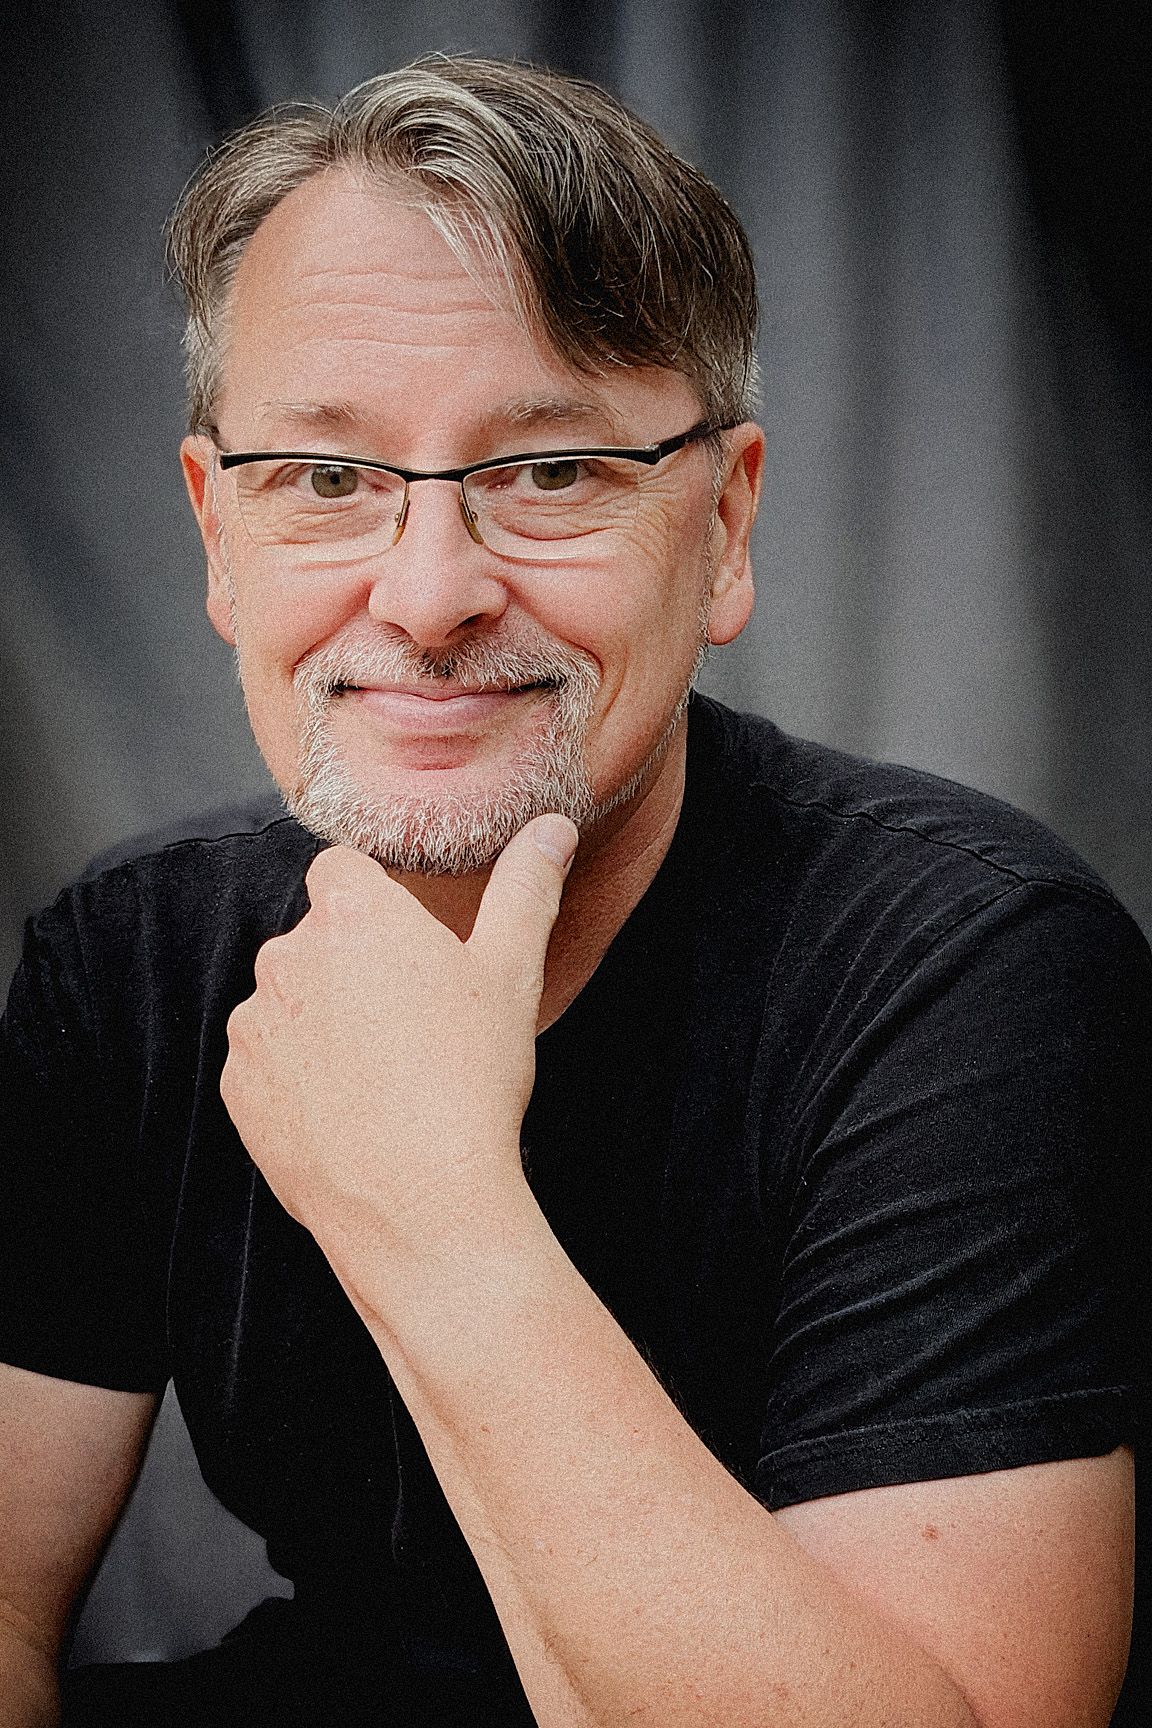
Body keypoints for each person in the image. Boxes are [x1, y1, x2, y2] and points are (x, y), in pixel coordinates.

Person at [0, 52, 1147, 1728]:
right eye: (327, 478)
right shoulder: (133, 960)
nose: (429, 594)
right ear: (217, 536)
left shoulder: (973, 969)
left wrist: (438, 1213)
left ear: (725, 527)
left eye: (551, 473)